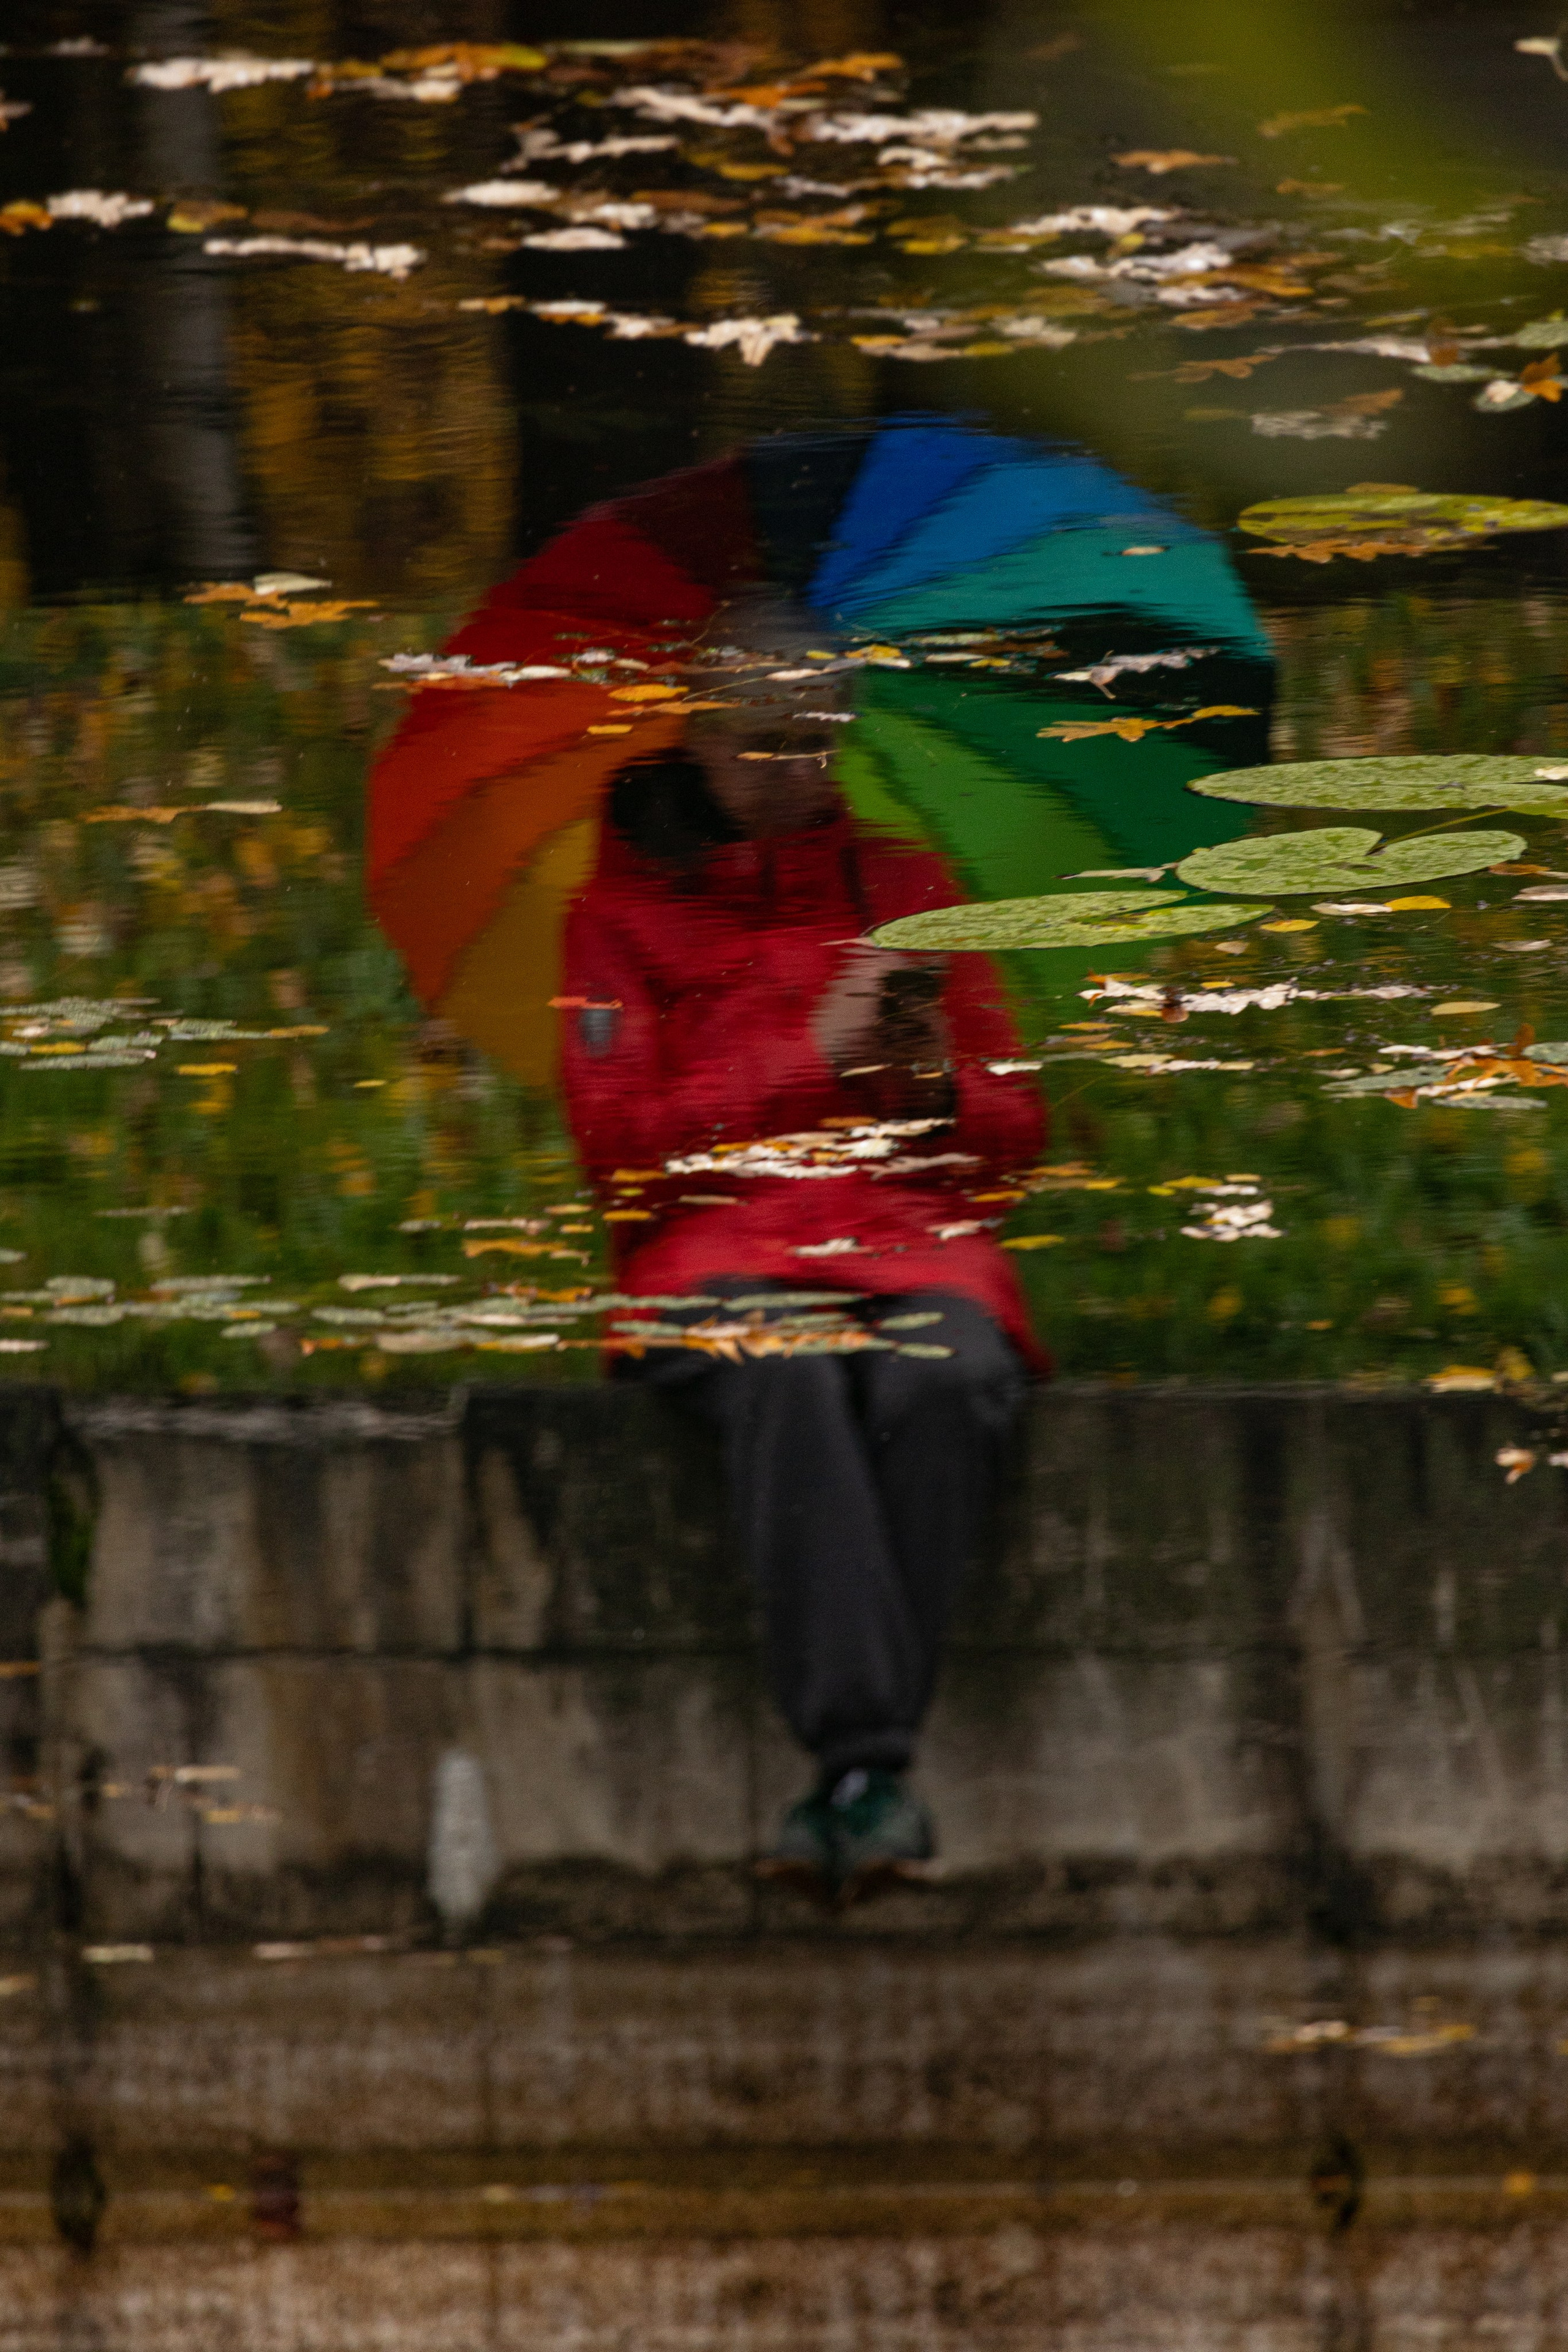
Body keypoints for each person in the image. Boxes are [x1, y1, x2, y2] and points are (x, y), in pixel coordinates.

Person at [559, 701, 1046, 1905]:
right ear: (700, 743)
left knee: (950, 1380)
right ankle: (867, 1769)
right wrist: (808, 1054)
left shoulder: (907, 886)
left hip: (914, 1253)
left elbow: (1008, 1143)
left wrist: (933, 1085)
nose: (791, 770)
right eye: (759, 742)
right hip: (713, 1258)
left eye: (814, 741)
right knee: (785, 1370)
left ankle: (849, 1787)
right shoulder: (614, 917)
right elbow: (619, 1149)